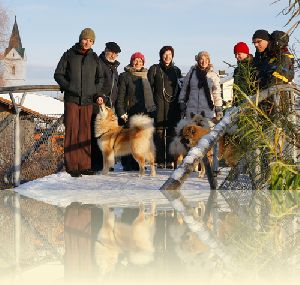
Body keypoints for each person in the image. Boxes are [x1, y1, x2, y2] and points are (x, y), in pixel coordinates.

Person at [54, 28, 104, 177]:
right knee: (72, 131)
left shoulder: (94, 58)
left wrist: (95, 92)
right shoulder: (69, 55)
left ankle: (84, 166)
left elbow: (100, 78)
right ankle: (72, 166)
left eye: (90, 41)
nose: (87, 42)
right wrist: (69, 87)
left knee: (85, 133)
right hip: (72, 100)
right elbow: (58, 74)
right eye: (85, 39)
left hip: (88, 101)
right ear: (80, 39)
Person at [116, 52, 156, 171]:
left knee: (141, 139)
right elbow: (120, 96)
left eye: (140, 61)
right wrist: (121, 112)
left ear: (143, 63)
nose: (138, 63)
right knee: (128, 140)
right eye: (135, 60)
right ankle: (127, 165)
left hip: (143, 113)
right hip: (129, 113)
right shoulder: (124, 76)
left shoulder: (146, 76)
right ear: (131, 61)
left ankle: (140, 163)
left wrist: (151, 111)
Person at [148, 45, 182, 168]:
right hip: (158, 105)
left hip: (173, 106)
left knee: (172, 134)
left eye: (170, 55)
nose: (167, 57)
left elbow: (180, 87)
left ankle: (171, 160)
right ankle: (160, 160)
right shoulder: (154, 69)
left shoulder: (176, 70)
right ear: (161, 56)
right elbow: (149, 88)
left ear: (172, 56)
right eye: (165, 54)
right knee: (159, 134)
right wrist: (151, 105)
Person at [91, 41, 121, 172]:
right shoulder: (98, 63)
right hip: (99, 102)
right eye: (111, 52)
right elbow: (94, 82)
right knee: (99, 135)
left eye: (116, 54)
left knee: (110, 136)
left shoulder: (114, 67)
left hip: (110, 104)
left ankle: (109, 164)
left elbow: (115, 87)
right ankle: (97, 164)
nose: (113, 55)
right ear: (105, 50)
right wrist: (99, 95)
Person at [178, 51, 223, 120]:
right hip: (192, 112)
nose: (204, 61)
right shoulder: (191, 74)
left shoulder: (213, 75)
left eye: (206, 59)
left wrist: (218, 107)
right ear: (198, 60)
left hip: (207, 112)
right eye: (201, 59)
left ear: (209, 61)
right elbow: (184, 89)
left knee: (207, 130)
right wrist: (182, 102)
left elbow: (216, 93)